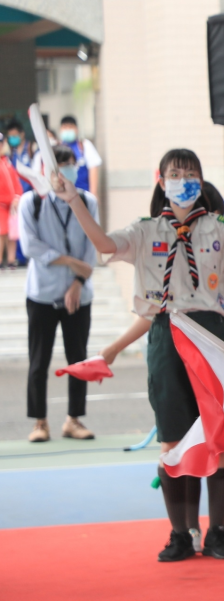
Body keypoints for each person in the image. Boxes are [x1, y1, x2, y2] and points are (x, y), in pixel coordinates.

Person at [60, 148, 224, 562]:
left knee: (222, 437)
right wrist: (75, 200)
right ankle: (181, 533)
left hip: (215, 337)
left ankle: (220, 531)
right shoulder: (145, 230)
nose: (183, 179)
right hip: (168, 334)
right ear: (160, 180)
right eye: (175, 173)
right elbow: (104, 243)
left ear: (201, 180)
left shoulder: (219, 228)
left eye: (190, 173)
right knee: (173, 435)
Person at [18, 144, 97, 442]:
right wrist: (69, 260)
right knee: (39, 360)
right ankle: (40, 422)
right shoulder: (32, 202)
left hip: (79, 294)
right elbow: (30, 247)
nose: (66, 169)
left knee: (78, 358)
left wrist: (78, 280)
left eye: (70, 163)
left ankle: (73, 420)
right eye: (60, 164)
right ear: (47, 171)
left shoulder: (88, 202)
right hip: (42, 294)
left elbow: (93, 243)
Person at [5, 119, 35, 267]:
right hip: (14, 199)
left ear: (22, 134)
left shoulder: (31, 149)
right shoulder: (9, 152)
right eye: (10, 136)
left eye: (15, 135)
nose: (13, 139)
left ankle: (29, 256)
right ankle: (17, 259)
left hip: (28, 196)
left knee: (29, 227)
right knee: (14, 229)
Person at [59, 116, 102, 197]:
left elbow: (93, 170)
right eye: (65, 127)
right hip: (63, 196)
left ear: (77, 129)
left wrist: (93, 196)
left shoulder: (85, 145)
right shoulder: (57, 148)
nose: (68, 130)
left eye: (70, 127)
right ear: (60, 130)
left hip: (83, 195)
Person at [0, 143, 22, 269]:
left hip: (12, 206)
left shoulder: (7, 163)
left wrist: (17, 197)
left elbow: (15, 182)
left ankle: (11, 260)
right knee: (1, 233)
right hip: (1, 205)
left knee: (12, 233)